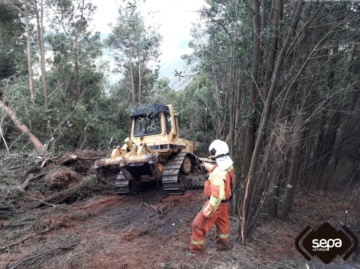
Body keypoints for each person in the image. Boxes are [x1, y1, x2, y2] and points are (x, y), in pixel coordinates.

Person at [189, 139, 235, 254]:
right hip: (225, 202)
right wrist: (205, 165)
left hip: (216, 203)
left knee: (198, 225)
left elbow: (217, 195)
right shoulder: (228, 166)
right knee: (222, 224)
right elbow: (218, 168)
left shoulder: (217, 174)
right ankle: (223, 245)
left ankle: (195, 250)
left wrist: (208, 210)